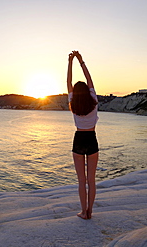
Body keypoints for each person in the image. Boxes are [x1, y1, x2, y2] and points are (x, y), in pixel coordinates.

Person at [67, 50, 99, 220]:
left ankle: (83, 211)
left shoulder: (73, 102)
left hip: (78, 139)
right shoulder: (93, 99)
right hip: (92, 139)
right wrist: (81, 61)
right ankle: (90, 211)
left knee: (81, 180)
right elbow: (89, 79)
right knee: (91, 180)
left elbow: (68, 81)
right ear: (87, 91)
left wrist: (70, 61)